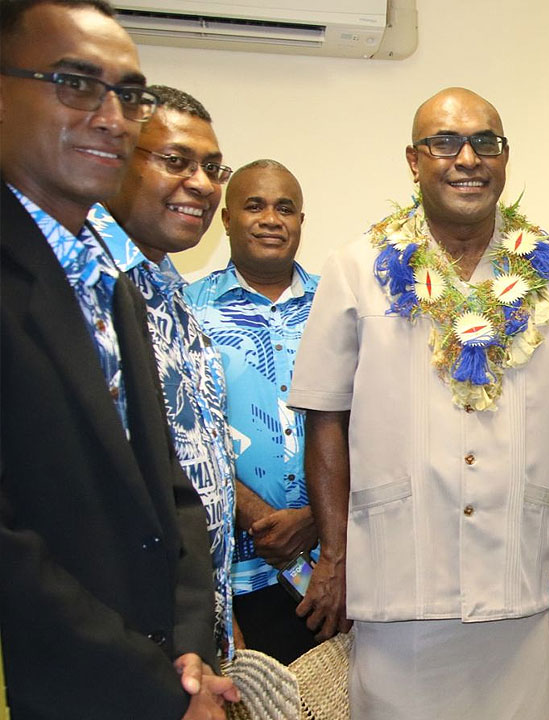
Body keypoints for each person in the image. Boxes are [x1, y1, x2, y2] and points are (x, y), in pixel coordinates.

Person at [287, 87, 549, 720]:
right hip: (397, 579)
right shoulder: (357, 269)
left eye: (484, 143)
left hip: (522, 580)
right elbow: (325, 418)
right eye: (445, 143)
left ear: (506, 158)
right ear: (414, 161)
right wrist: (333, 555)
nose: (467, 158)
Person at [0, 1, 236, 718]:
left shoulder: (109, 274)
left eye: (127, 93)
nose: (111, 116)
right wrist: (159, 683)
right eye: (74, 83)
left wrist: (191, 646)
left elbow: (166, 486)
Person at [101, 83, 238, 662]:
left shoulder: (178, 301)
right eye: (176, 162)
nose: (202, 185)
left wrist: (218, 620)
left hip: (192, 632)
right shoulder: (90, 293)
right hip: (129, 644)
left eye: (212, 167)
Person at [187, 159, 321, 664]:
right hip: (234, 578)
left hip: (335, 569)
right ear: (225, 219)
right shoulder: (187, 309)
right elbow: (178, 433)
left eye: (285, 208)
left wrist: (316, 520)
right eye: (254, 205)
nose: (271, 218)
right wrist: (259, 516)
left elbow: (377, 424)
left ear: (301, 222)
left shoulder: (340, 306)